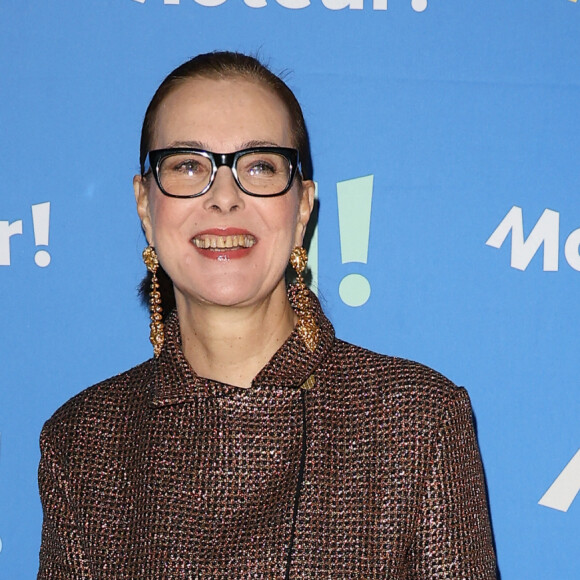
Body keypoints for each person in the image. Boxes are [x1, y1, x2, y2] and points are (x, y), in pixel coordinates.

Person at [38, 51, 498, 578]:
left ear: (302, 206)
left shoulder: (418, 421)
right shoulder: (84, 439)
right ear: (145, 204)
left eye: (259, 166)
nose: (224, 198)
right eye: (189, 166)